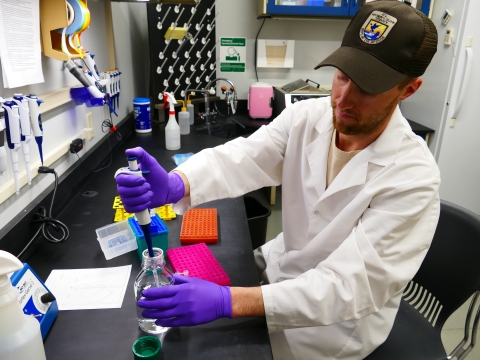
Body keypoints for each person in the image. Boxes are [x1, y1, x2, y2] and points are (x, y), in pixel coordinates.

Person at [116, 1, 440, 359]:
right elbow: (245, 157)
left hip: (331, 328)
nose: (342, 99)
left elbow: (345, 288)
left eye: (366, 87)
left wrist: (229, 301)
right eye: (342, 76)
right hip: (282, 267)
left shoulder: (413, 179)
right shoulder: (308, 116)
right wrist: (179, 182)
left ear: (408, 90)